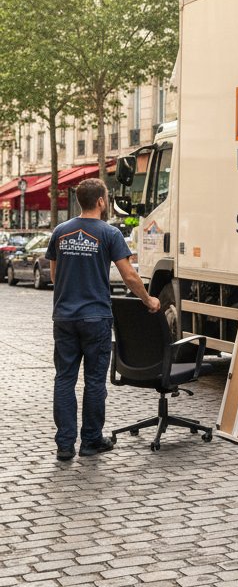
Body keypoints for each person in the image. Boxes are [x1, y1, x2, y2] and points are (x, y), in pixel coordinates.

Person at [46, 178, 161, 461]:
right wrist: (149, 301)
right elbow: (130, 276)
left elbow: (54, 274)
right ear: (101, 201)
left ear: (78, 202)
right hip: (95, 318)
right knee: (94, 381)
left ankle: (64, 445)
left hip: (64, 316)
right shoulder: (109, 234)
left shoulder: (60, 232)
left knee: (64, 379)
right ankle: (91, 441)